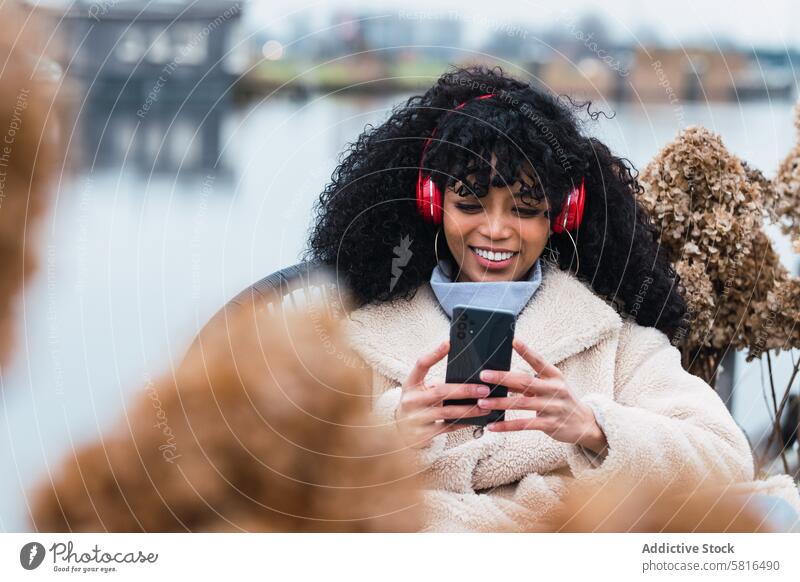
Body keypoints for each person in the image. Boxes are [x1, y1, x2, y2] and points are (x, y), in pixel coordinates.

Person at [305, 65, 800, 532]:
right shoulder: (357, 339)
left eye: (525, 209)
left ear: (561, 216)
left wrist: (593, 426)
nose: (495, 230)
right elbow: (282, 477)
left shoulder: (615, 342)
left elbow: (724, 456)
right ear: (432, 202)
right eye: (469, 205)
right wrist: (389, 431)